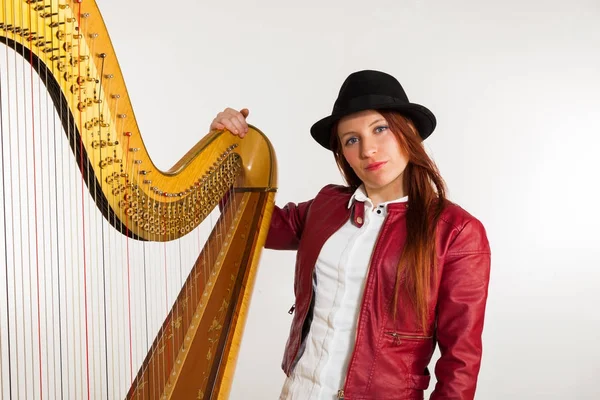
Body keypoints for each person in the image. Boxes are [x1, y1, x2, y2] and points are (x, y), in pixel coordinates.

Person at [210, 70, 491, 400]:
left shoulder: (456, 232)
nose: (368, 150)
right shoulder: (326, 207)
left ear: (409, 131)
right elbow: (253, 223)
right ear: (342, 152)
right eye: (352, 140)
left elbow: (461, 361)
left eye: (380, 129)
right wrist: (224, 150)